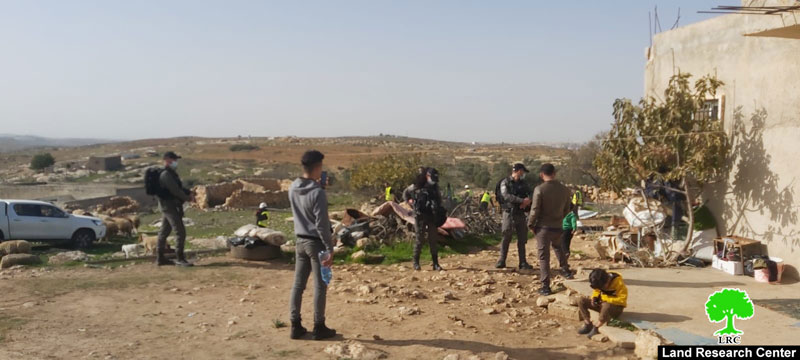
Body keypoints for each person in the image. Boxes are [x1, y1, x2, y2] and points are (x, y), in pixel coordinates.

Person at [288, 150, 336, 341]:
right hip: (316, 243)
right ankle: (319, 326)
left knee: (298, 285)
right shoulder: (318, 193)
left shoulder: (292, 187)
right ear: (317, 167)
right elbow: (322, 225)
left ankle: (295, 325)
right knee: (320, 285)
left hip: (299, 240)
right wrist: (330, 248)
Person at [527, 163, 573, 295]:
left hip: (543, 227)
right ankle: (566, 270)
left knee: (544, 257)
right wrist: (559, 219)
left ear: (542, 175)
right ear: (554, 173)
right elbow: (567, 209)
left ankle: (545, 286)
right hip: (558, 226)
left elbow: (535, 209)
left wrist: (531, 224)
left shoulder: (539, 189)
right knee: (558, 247)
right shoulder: (565, 190)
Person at [156, 151, 194, 267]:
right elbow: (175, 191)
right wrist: (188, 198)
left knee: (164, 232)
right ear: (168, 160)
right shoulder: (166, 175)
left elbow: (179, 188)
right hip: (169, 206)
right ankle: (180, 258)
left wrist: (188, 192)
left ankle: (160, 258)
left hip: (169, 206)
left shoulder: (170, 174)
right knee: (180, 232)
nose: (176, 162)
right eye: (174, 160)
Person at [496, 163, 533, 270]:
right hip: (509, 212)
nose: (523, 174)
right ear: (518, 171)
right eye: (522, 171)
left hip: (520, 213)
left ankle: (523, 262)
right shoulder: (505, 182)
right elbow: (506, 196)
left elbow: (530, 193)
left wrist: (527, 202)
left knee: (522, 238)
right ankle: (501, 260)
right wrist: (522, 201)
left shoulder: (523, 183)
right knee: (506, 236)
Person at [410, 168, 444, 271]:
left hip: (432, 216)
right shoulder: (417, 186)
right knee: (420, 239)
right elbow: (407, 194)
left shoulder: (435, 187)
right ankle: (416, 262)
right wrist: (412, 205)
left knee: (433, 239)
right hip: (420, 216)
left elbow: (439, 199)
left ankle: (435, 263)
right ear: (427, 176)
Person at [577, 269, 628, 338]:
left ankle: (597, 327)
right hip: (602, 304)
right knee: (581, 300)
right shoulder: (600, 281)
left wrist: (606, 300)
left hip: (615, 308)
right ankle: (588, 324)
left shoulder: (619, 283)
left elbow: (622, 300)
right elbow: (597, 291)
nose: (601, 288)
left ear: (607, 281)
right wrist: (594, 298)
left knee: (607, 305)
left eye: (602, 287)